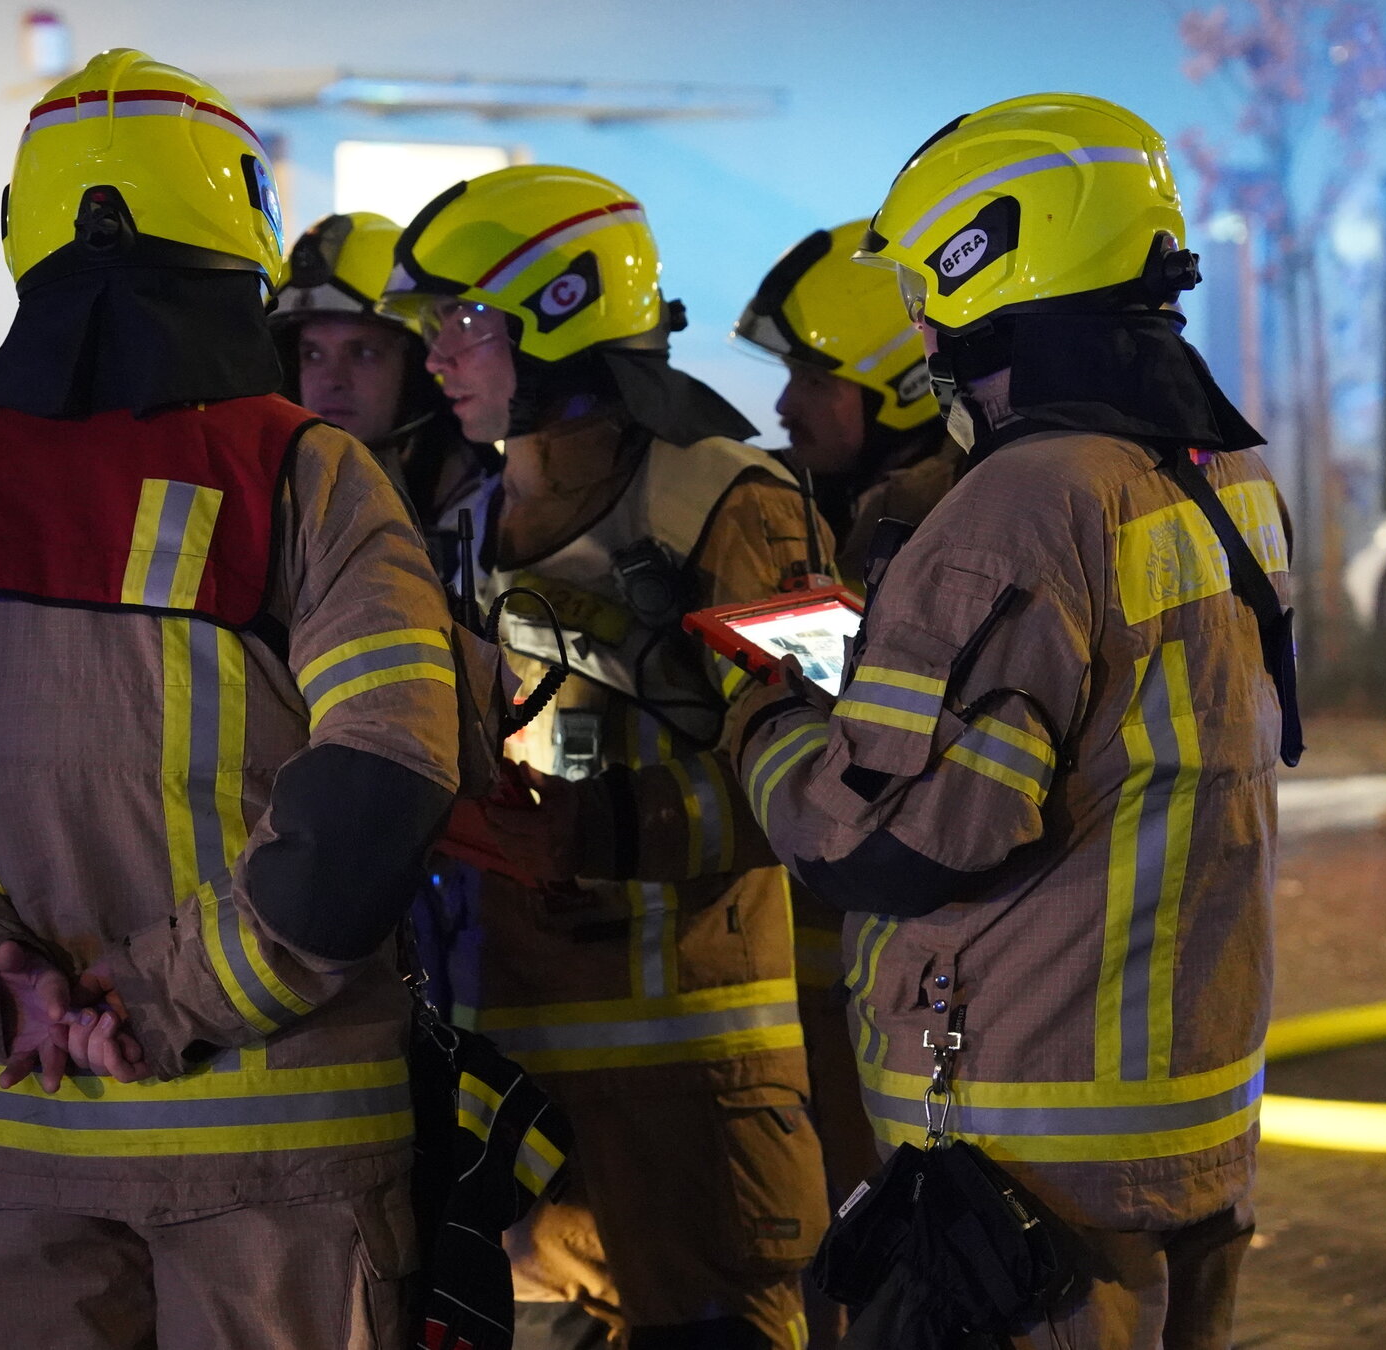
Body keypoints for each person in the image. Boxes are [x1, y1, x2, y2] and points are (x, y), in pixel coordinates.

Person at [0, 50, 460, 1348]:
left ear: (28, 236)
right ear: (238, 232)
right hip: (276, 1172)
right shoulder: (306, 475)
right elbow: (376, 793)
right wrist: (153, 999)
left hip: (13, 1151)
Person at [727, 93, 1296, 1349]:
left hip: (1025, 1151)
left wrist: (764, 724)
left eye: (932, 286)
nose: (922, 324)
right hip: (1183, 1113)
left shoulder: (1022, 503)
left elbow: (898, 840)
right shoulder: (1224, 471)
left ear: (996, 264)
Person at [380, 164, 830, 1350]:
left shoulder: (737, 510)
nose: (439, 359)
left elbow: (839, 777)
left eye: (464, 324)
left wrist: (597, 831)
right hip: (510, 1088)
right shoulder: (466, 528)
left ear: (561, 312)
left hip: (692, 1101)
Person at [735, 221, 969, 1228]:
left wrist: (761, 708)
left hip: (899, 979)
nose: (783, 406)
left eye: (811, 379)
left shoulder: (920, 528)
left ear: (900, 387)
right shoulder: (855, 509)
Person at [736, 219, 964, 587]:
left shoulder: (961, 532)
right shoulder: (788, 498)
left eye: (814, 382)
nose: (784, 406)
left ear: (908, 387)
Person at [273, 211, 495, 536]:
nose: (332, 380)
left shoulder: (497, 517)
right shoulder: (267, 498)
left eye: (364, 353)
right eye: (313, 354)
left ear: (417, 371)